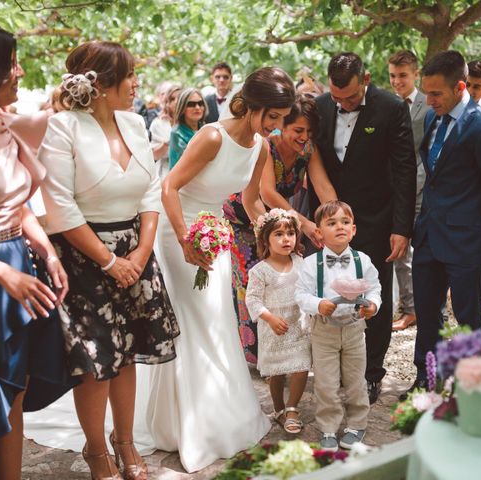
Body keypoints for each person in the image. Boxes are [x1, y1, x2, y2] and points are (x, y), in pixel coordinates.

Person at [39, 41, 180, 480]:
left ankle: (126, 442)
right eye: (130, 75)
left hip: (135, 252)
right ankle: (97, 451)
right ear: (99, 85)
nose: (137, 83)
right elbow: (59, 206)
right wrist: (107, 261)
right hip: (83, 257)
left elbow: (151, 190)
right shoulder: (61, 127)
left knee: (128, 355)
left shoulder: (136, 123)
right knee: (96, 363)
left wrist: (140, 251)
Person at [145, 66, 295, 472]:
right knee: (195, 324)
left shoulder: (261, 147)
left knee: (218, 322)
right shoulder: (213, 135)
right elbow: (169, 186)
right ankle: (189, 426)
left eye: (282, 119)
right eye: (273, 117)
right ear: (253, 106)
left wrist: (277, 231)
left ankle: (218, 414)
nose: (277, 127)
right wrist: (184, 239)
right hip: (181, 232)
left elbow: (250, 202)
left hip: (218, 235)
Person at [0, 14, 69, 479]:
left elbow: (17, 207)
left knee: (15, 398)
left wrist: (47, 251)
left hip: (19, 271)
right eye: (12, 65)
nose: (20, 72)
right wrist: (2, 271)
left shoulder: (7, 125)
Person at [405, 51, 481, 397]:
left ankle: (468, 387)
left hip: (465, 239)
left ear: (461, 87)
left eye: (436, 94)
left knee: (467, 318)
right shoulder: (435, 119)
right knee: (427, 313)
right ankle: (426, 379)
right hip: (428, 236)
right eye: (426, 93)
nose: (429, 100)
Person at [314, 52, 416, 404]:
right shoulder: (321, 106)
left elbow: (405, 170)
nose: (342, 103)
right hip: (327, 219)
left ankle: (371, 372)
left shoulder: (391, 108)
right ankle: (334, 367)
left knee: (373, 294)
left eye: (351, 97)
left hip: (375, 218)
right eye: (337, 97)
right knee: (327, 290)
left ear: (367, 79)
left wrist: (402, 226)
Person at [224, 94, 337, 363]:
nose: (304, 137)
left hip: (278, 223)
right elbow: (267, 193)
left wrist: (335, 218)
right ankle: (253, 357)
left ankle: (283, 351)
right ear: (282, 127)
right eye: (298, 130)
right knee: (252, 283)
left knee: (283, 283)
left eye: (309, 131)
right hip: (244, 221)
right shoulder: (265, 147)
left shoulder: (307, 150)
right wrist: (305, 225)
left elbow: (323, 187)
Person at [295, 201, 381, 452]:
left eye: (345, 222)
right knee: (326, 381)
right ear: (319, 233)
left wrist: (373, 305)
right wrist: (317, 304)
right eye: (331, 223)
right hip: (324, 330)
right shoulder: (311, 263)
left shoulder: (362, 261)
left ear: (353, 230)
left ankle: (357, 424)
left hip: (355, 327)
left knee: (356, 379)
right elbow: (300, 294)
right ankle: (328, 426)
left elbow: (375, 288)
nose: (339, 227)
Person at [245, 209, 310, 434]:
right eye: (279, 234)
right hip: (273, 327)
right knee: (277, 372)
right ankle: (279, 408)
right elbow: (252, 300)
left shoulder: (300, 262)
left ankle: (292, 408)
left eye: (290, 233)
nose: (286, 239)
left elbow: (309, 287)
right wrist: (270, 318)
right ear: (266, 240)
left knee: (302, 366)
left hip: (297, 324)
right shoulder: (259, 271)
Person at [388, 49, 430, 332]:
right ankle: (409, 308)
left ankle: (425, 308)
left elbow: (429, 152)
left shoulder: (429, 105)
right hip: (392, 190)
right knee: (399, 253)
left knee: (420, 255)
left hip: (423, 189)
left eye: (402, 75)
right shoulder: (387, 104)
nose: (397, 81)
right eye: (392, 76)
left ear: (416, 74)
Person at [168, 87, 208, 170]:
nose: (197, 107)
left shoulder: (207, 129)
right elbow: (176, 167)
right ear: (182, 108)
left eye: (200, 103)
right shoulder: (176, 133)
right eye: (191, 104)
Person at [150, 84, 181, 173]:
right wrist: (168, 142)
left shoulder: (193, 121)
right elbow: (154, 155)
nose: (176, 101)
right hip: (167, 171)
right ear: (167, 102)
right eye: (172, 99)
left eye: (179, 98)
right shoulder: (158, 123)